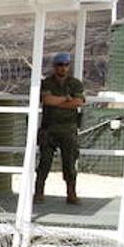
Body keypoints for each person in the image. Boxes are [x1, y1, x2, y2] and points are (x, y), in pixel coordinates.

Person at [34, 51, 85, 205]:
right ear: (54, 67)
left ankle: (71, 193)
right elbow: (47, 100)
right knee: (44, 163)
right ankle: (38, 192)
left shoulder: (74, 83)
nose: (63, 68)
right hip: (49, 128)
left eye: (66, 65)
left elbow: (78, 102)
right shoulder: (47, 83)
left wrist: (60, 102)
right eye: (59, 65)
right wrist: (65, 99)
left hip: (68, 128)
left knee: (69, 164)